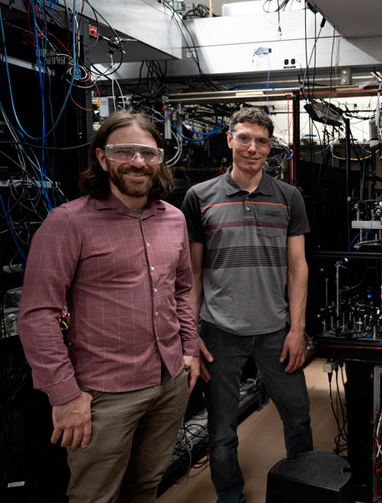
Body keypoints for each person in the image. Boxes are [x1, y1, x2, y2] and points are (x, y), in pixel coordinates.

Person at [17, 111, 201, 503]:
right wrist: (65, 396)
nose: (138, 162)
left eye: (148, 153)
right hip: (103, 394)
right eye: (124, 152)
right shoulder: (67, 222)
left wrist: (189, 349)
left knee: (147, 486)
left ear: (160, 159)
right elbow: (38, 315)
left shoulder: (174, 219)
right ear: (102, 158)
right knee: (95, 496)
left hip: (169, 384)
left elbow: (182, 289)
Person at [181, 106, 313, 503]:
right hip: (219, 335)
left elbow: (297, 267)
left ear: (270, 147)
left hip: (276, 332)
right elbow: (193, 275)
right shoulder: (199, 197)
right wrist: (191, 338)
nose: (252, 148)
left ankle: (302, 491)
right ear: (229, 139)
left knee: (298, 417)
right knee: (221, 431)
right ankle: (230, 497)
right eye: (244, 138)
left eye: (261, 141)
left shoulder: (289, 198)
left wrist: (297, 329)